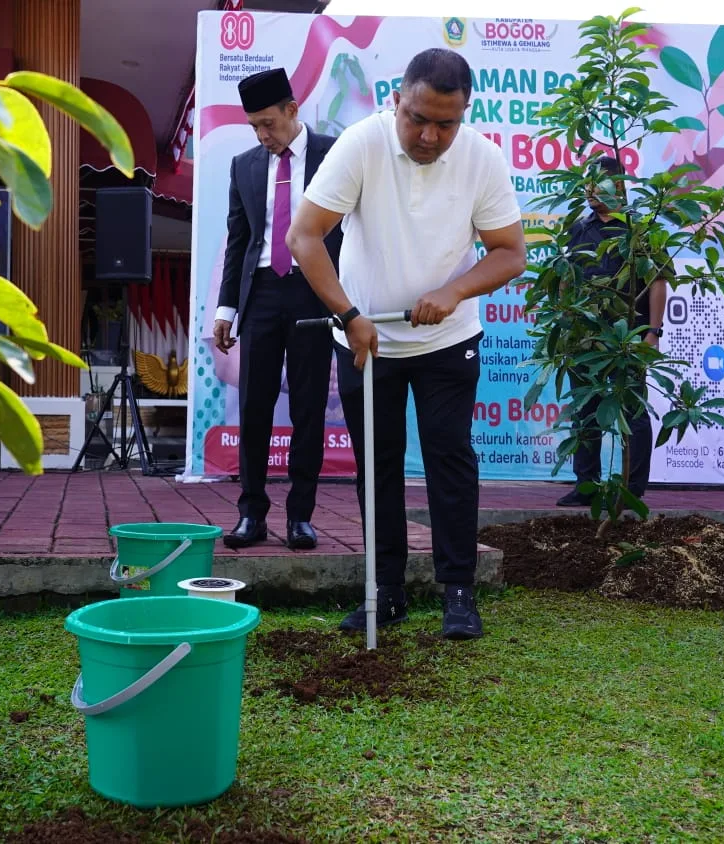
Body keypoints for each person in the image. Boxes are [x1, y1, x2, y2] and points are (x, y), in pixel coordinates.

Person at [286, 47, 526, 640]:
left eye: (447, 123)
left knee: (450, 461)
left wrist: (455, 291)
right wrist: (348, 315)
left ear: (465, 113)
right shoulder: (362, 145)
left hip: (448, 341)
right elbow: (304, 236)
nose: (429, 135)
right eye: (418, 118)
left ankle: (459, 594)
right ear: (397, 99)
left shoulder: (482, 159)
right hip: (367, 338)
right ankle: (384, 592)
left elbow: (509, 252)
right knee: (378, 466)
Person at [213, 68, 343, 551]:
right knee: (255, 405)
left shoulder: (335, 154)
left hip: (315, 290)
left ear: (293, 110)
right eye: (254, 126)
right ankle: (251, 513)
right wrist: (227, 309)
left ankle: (300, 517)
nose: (263, 135)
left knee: (309, 405)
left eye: (269, 123)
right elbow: (239, 242)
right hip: (262, 292)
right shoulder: (244, 165)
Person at [553, 155, 668, 508]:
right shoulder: (577, 228)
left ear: (618, 185)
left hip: (627, 340)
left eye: (597, 183)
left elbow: (659, 280)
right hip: (583, 338)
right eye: (586, 184)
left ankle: (632, 489)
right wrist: (563, 322)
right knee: (585, 411)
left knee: (631, 411)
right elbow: (564, 279)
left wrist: (653, 332)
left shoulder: (641, 229)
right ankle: (586, 485)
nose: (589, 191)